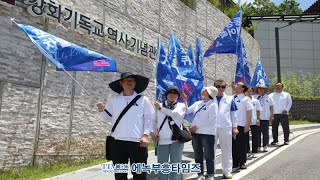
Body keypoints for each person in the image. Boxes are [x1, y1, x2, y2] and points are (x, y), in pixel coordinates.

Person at [96, 72, 155, 180]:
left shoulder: (143, 100)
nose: (129, 82)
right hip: (117, 142)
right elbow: (106, 118)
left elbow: (149, 118)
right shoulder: (113, 100)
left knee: (140, 174)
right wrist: (101, 110)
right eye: (126, 80)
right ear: (121, 83)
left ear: (135, 83)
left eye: (132, 80)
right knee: (120, 175)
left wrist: (146, 135)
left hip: (138, 142)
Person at [151, 86, 186, 180]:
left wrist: (161, 108)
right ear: (166, 95)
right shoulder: (158, 106)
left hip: (177, 140)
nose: (172, 95)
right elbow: (154, 121)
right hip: (162, 139)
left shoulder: (181, 106)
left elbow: (174, 114)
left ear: (178, 96)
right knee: (162, 165)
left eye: (175, 93)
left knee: (175, 164)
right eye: (170, 93)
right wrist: (153, 134)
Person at [185, 86, 218, 180]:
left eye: (205, 89)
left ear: (209, 92)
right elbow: (187, 110)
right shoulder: (198, 103)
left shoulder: (213, 105)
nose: (202, 90)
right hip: (196, 133)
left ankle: (210, 174)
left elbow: (212, 120)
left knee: (208, 154)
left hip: (207, 133)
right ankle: (200, 174)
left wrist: (197, 126)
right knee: (198, 154)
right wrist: (185, 100)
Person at [213, 79, 238, 179]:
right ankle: (211, 170)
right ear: (214, 87)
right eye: (218, 86)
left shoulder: (230, 99)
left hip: (226, 127)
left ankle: (227, 170)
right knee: (211, 150)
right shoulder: (209, 98)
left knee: (227, 149)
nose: (220, 88)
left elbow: (233, 114)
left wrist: (235, 127)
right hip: (211, 128)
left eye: (222, 87)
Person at [232, 82, 253, 171]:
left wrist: (247, 124)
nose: (235, 86)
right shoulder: (231, 98)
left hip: (241, 125)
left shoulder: (246, 99)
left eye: (237, 85)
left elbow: (249, 112)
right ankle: (235, 163)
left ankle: (242, 162)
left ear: (242, 88)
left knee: (242, 144)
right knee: (233, 145)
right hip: (232, 125)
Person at [253, 84, 274, 152]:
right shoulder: (254, 97)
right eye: (260, 88)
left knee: (265, 133)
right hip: (256, 118)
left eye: (263, 88)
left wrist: (272, 115)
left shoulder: (268, 97)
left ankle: (265, 145)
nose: (261, 90)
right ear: (257, 89)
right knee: (257, 133)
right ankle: (258, 146)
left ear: (265, 90)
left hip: (265, 118)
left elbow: (271, 107)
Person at [245, 87, 262, 158]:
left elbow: (258, 110)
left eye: (251, 91)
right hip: (245, 121)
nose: (249, 93)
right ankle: (247, 151)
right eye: (248, 91)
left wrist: (258, 119)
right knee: (246, 138)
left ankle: (254, 151)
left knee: (255, 136)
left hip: (254, 121)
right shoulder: (244, 100)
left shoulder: (255, 101)